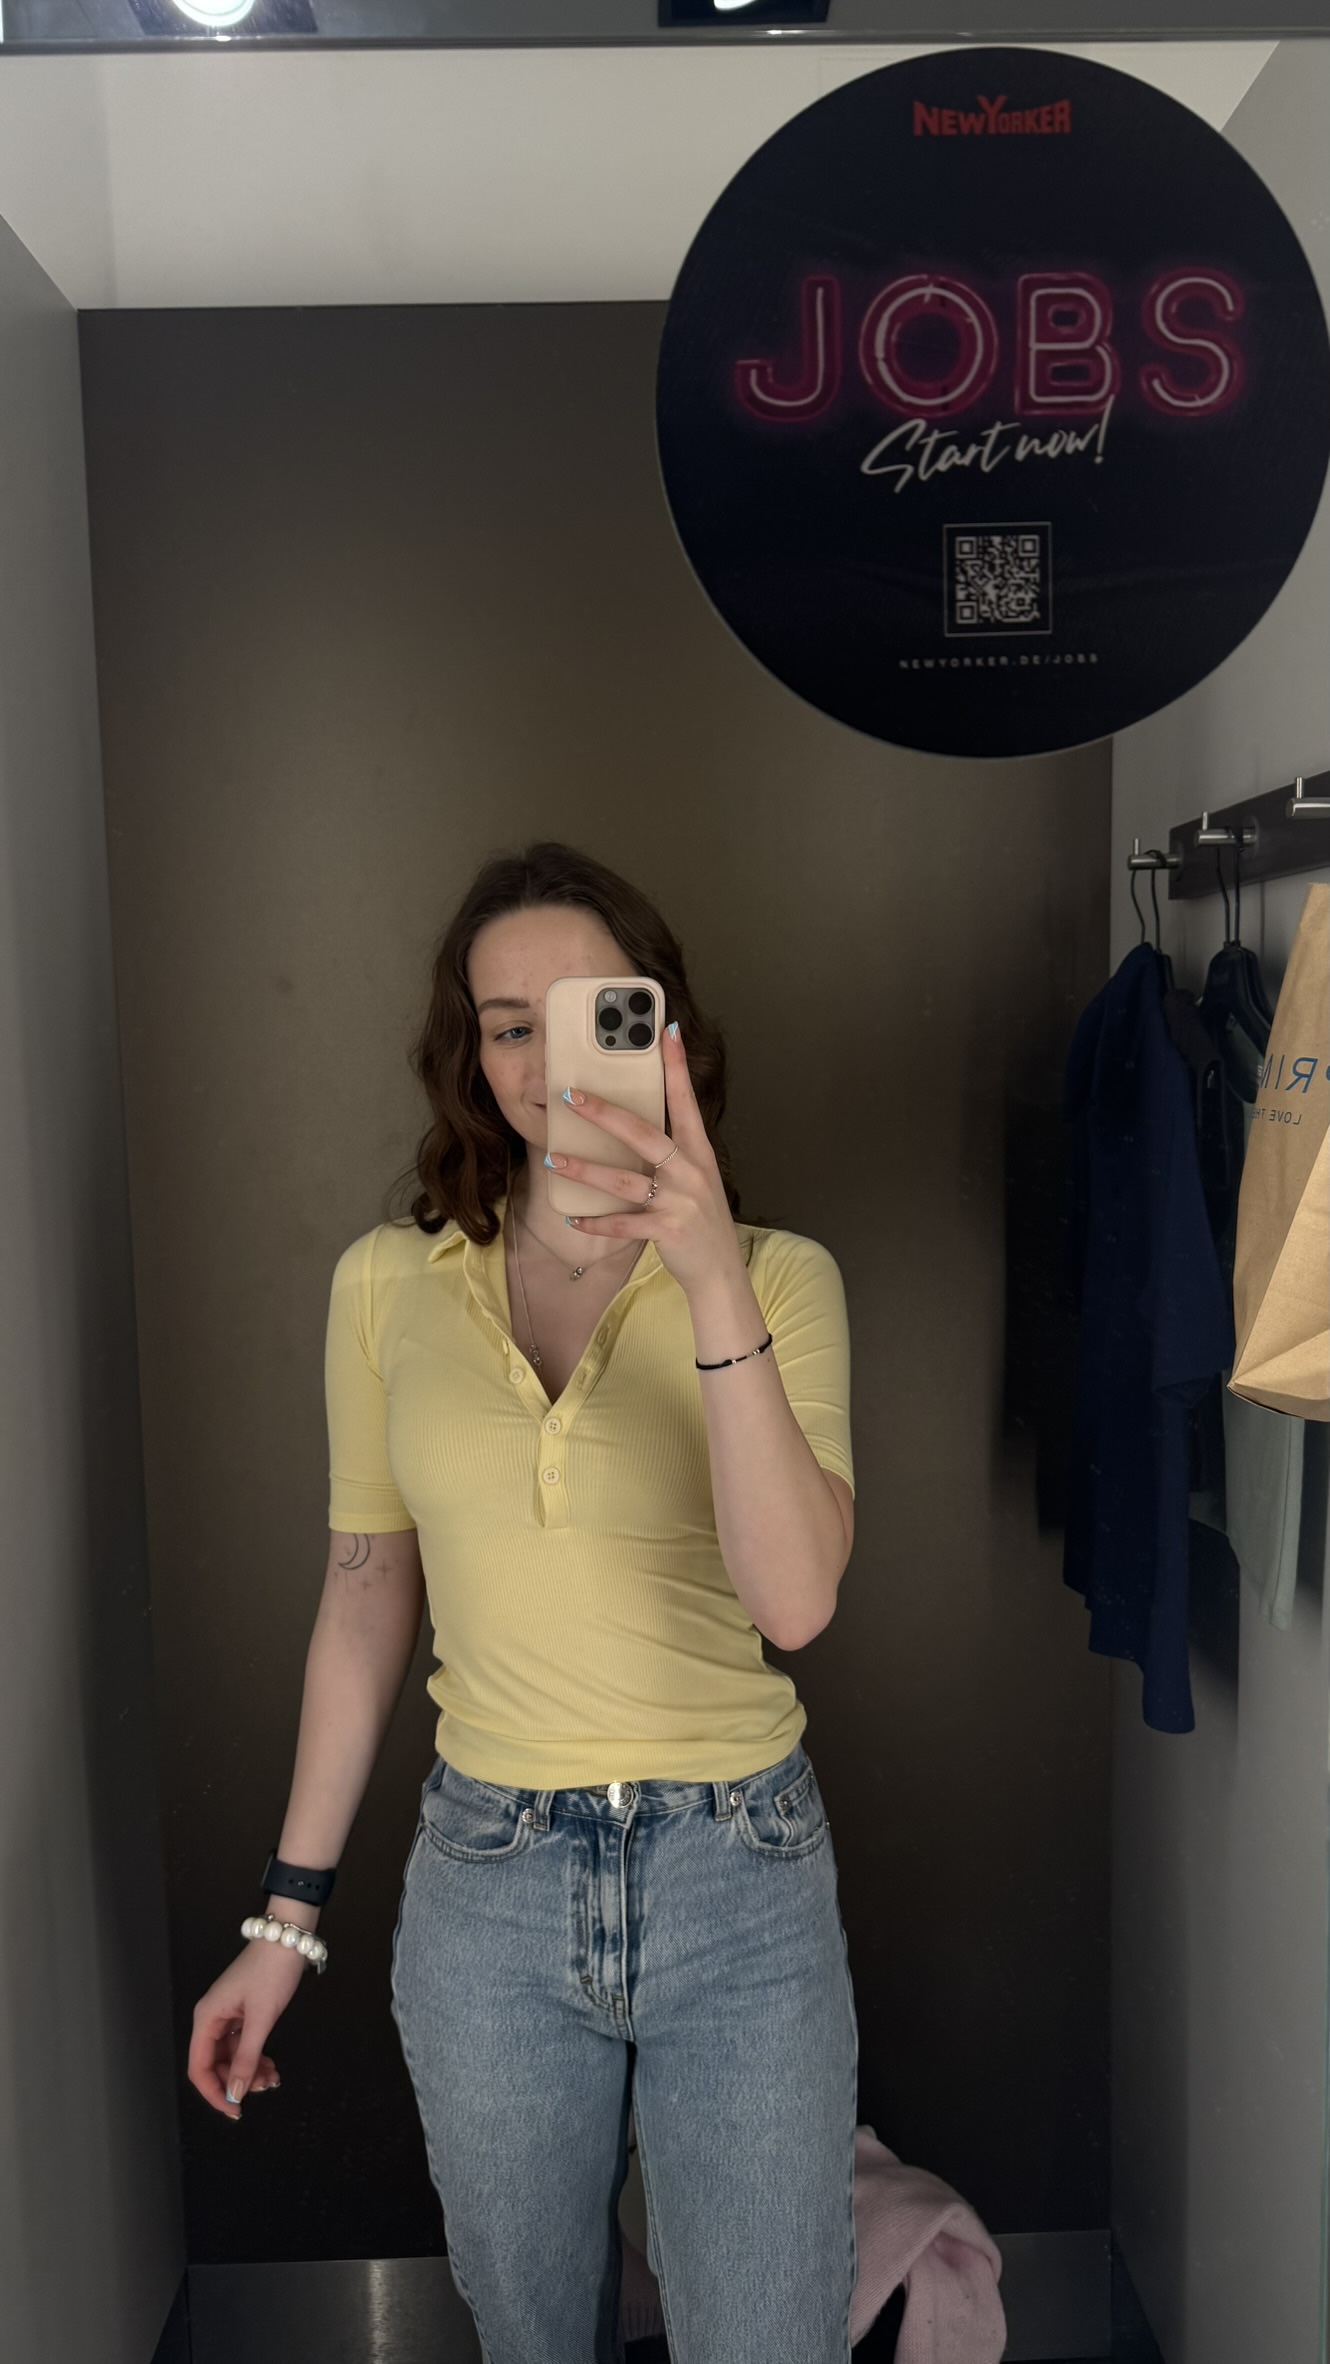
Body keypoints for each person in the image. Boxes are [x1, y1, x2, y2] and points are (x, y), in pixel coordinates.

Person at [188, 840, 859, 2364]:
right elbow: (365, 1599)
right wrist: (283, 1927)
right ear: (471, 1055)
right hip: (486, 1891)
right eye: (508, 1024)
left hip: (738, 1880)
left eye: (585, 1012)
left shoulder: (780, 1279)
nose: (549, 1060)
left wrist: (705, 1276)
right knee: (532, 2339)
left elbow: (796, 1603)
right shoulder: (384, 1285)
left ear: (658, 1024)